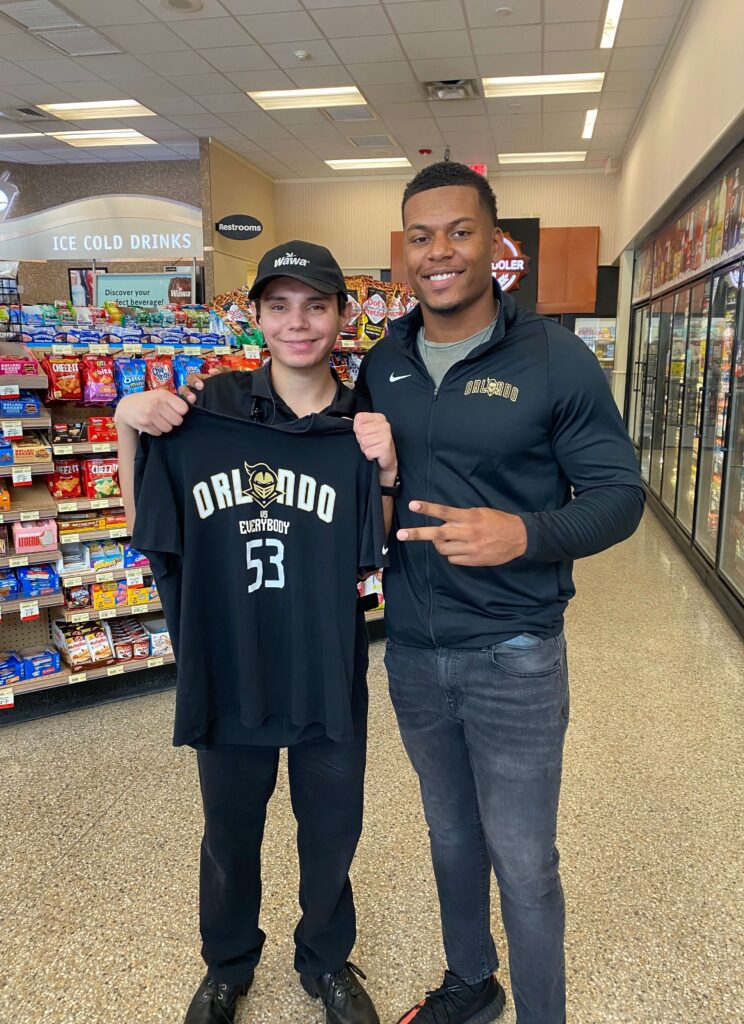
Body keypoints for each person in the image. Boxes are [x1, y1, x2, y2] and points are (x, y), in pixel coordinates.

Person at [353, 162, 645, 1024]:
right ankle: (472, 984)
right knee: (450, 836)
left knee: (522, 860)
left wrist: (524, 534)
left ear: (493, 245)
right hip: (413, 650)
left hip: (515, 654)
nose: (438, 252)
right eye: (420, 236)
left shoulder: (555, 358)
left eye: (459, 231)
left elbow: (620, 497)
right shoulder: (384, 361)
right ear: (405, 251)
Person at [115, 240, 397, 1024]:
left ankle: (327, 962)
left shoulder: (359, 424)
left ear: (343, 314)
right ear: (256, 315)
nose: (297, 323)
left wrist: (384, 472)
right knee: (229, 832)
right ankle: (227, 965)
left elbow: (372, 550)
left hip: (322, 666)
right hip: (230, 663)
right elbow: (148, 526)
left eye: (315, 305)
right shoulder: (212, 407)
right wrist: (126, 423)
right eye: (280, 305)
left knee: (332, 828)